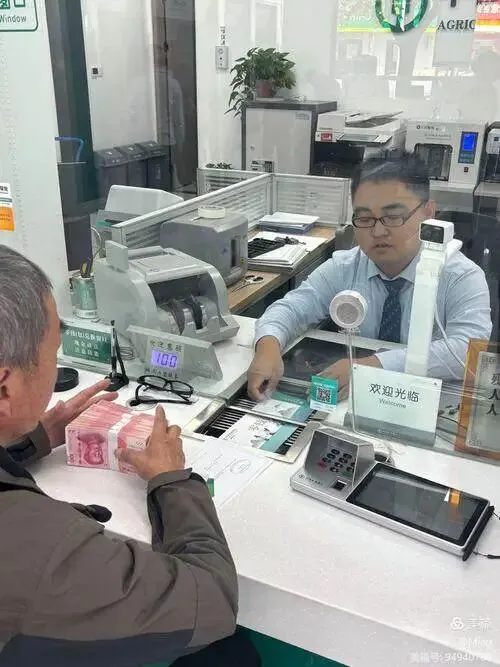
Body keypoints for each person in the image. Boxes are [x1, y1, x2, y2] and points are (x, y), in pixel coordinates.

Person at [0, 246, 260, 666]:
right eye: (53, 353)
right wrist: (172, 482)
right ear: (5, 388)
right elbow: (211, 602)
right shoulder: (34, 550)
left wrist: (24, 437)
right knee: (228, 654)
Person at [248, 151, 492, 401]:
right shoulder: (345, 266)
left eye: (393, 217)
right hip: (356, 402)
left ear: (428, 212)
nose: (377, 231)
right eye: (364, 218)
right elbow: (291, 309)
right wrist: (268, 345)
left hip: (427, 402)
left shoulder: (460, 276)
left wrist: (375, 366)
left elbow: (470, 351)